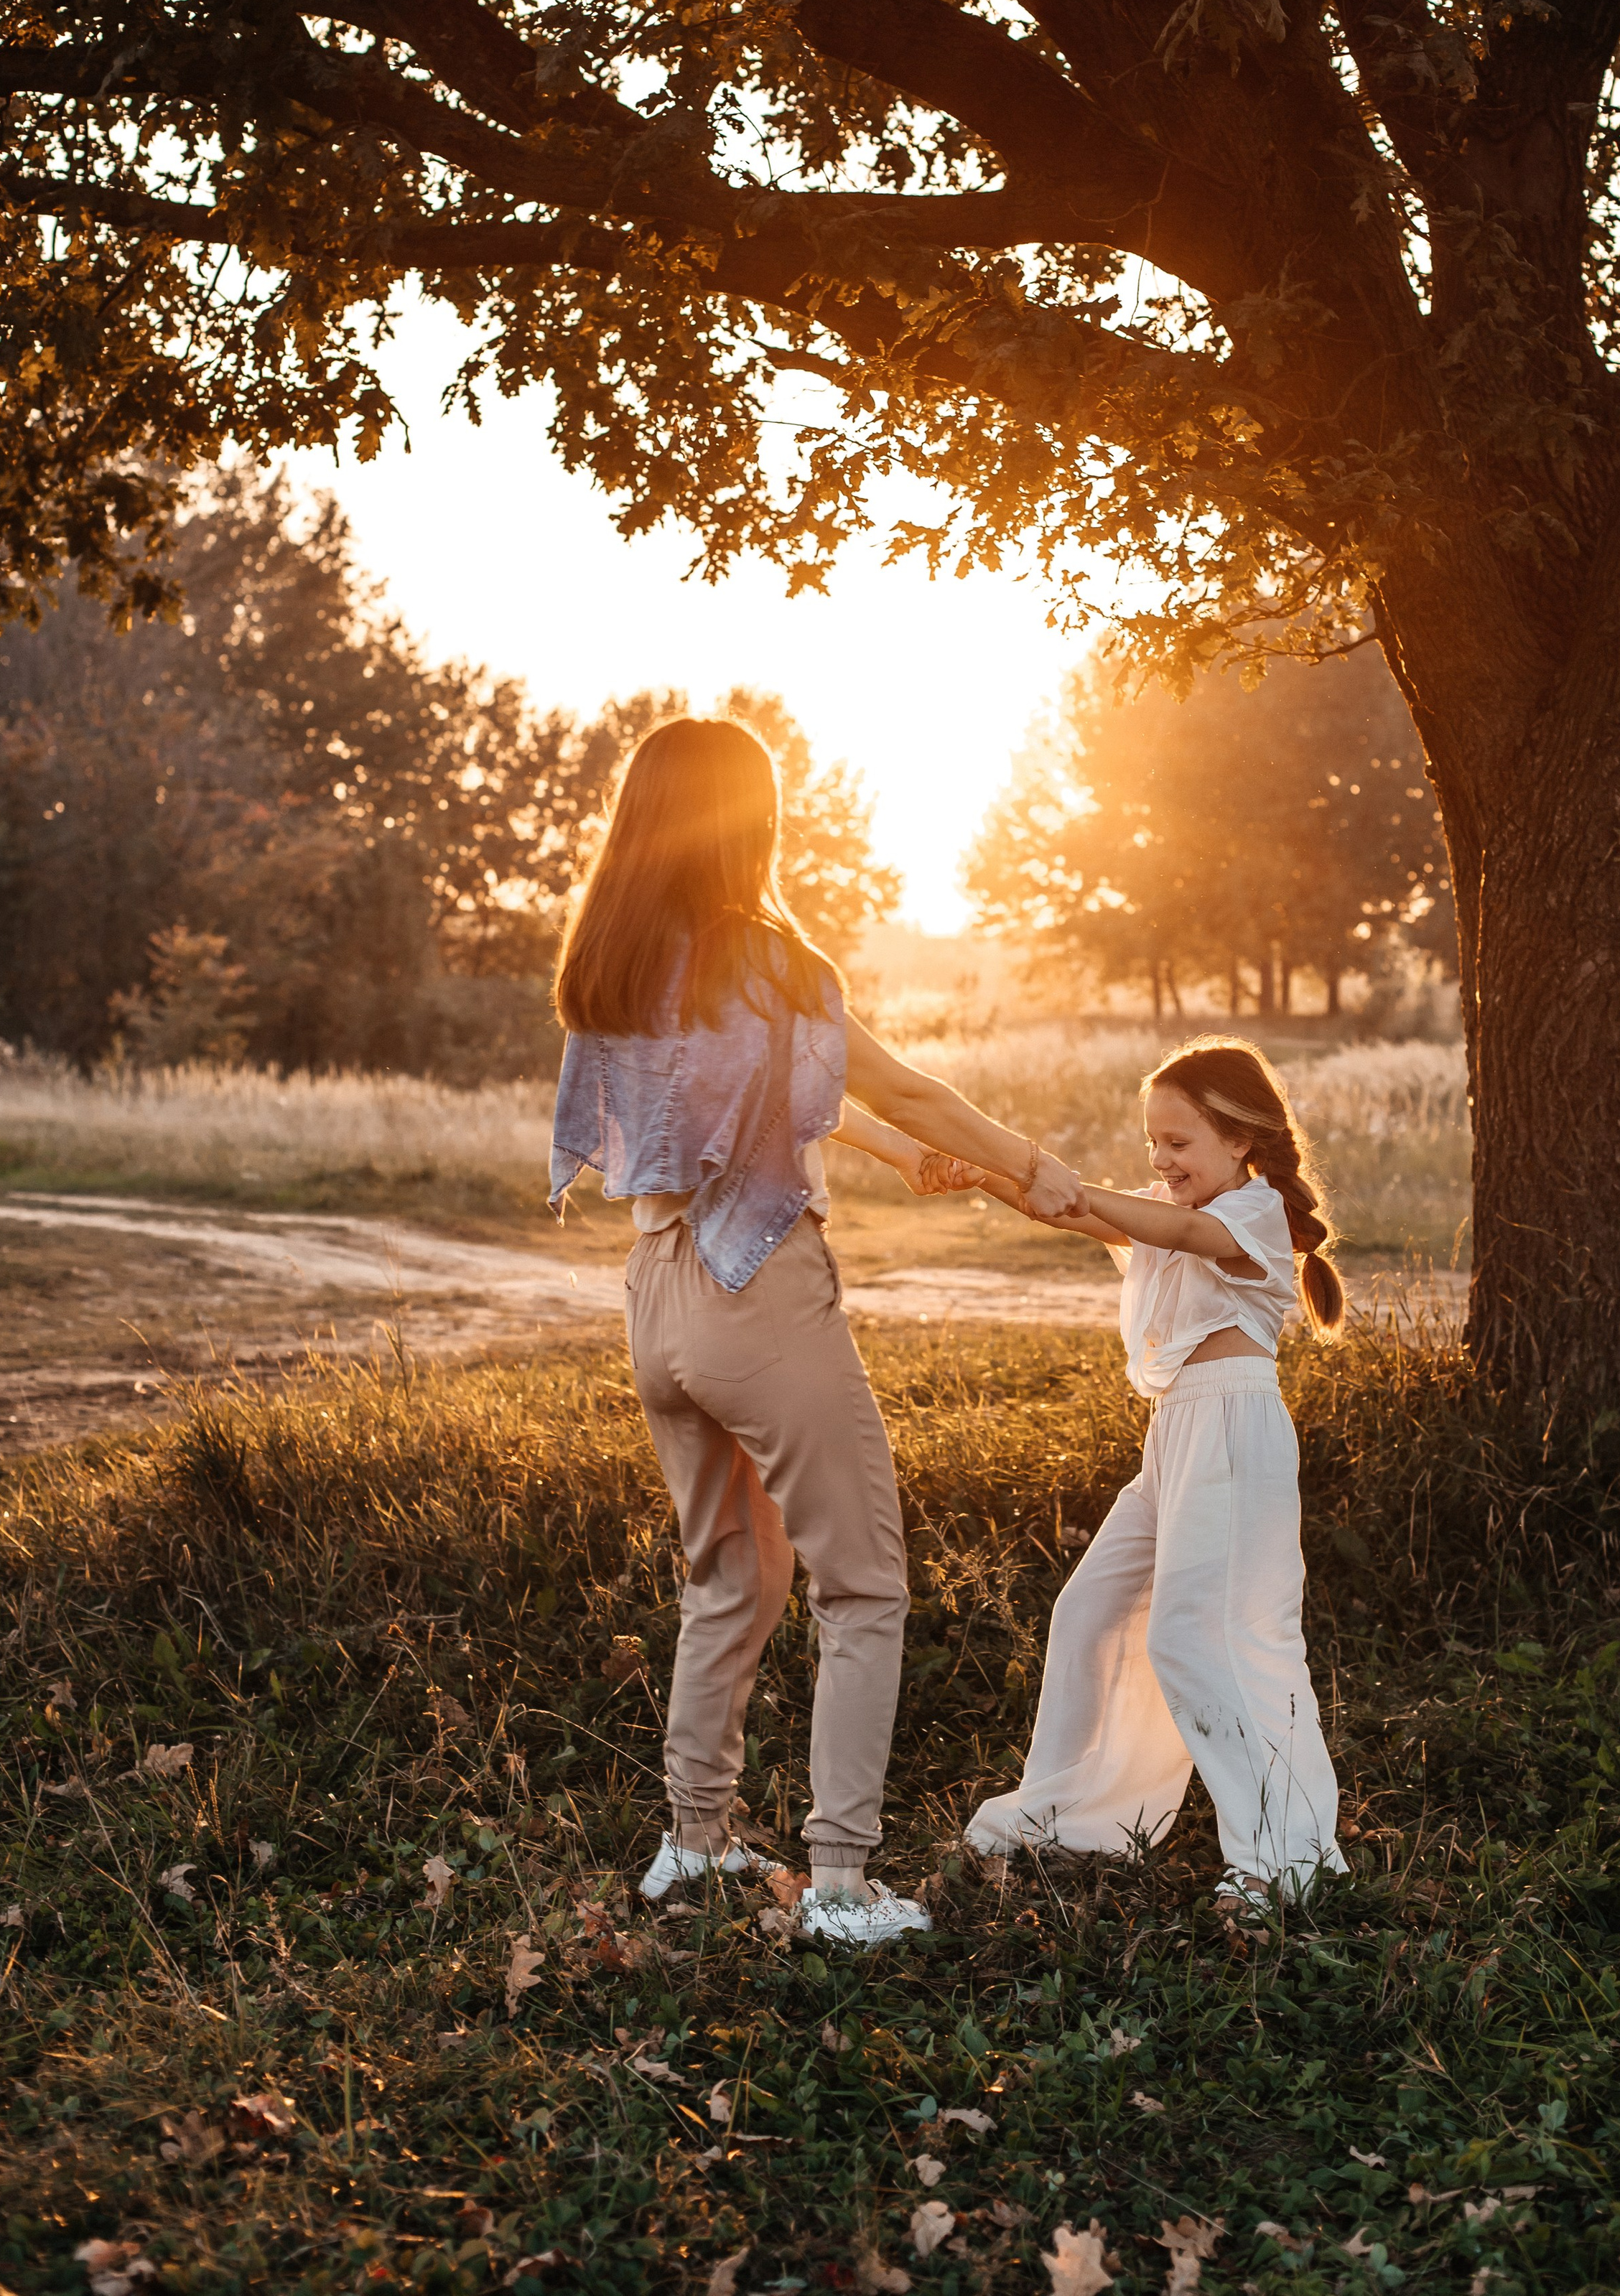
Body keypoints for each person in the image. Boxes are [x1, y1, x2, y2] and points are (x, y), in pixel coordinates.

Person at [548, 715, 1082, 1946]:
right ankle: (839, 1886)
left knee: (728, 1580)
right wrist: (1031, 1166)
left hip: (655, 1295)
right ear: (752, 824)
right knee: (862, 1585)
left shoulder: (612, 968)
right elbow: (893, 1080)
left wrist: (905, 1161)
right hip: (761, 1297)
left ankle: (693, 1846)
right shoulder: (770, 960)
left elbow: (777, 1103)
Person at [963, 1039, 1348, 1907]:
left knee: (1205, 1638)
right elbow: (1083, 1215)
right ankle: (1074, 1815)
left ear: (1240, 1139)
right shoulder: (1177, 1203)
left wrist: (1075, 1187)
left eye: (1179, 1143)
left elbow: (1173, 1231)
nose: (1161, 1161)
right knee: (1092, 1609)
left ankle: (1281, 1859)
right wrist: (983, 1172)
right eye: (1153, 1143)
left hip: (1232, 1427)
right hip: (1176, 1435)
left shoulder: (1252, 1214)